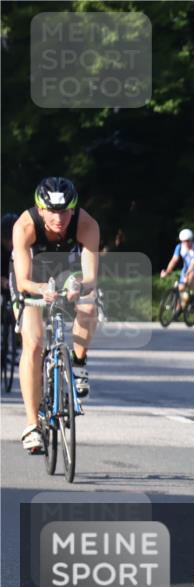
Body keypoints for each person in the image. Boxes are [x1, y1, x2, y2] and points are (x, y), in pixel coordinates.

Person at [11, 177, 100, 453]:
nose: (59, 218)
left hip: (67, 271)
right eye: (52, 211)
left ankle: (78, 362)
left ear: (73, 209)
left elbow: (91, 277)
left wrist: (78, 287)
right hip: (33, 278)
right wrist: (40, 290)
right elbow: (23, 281)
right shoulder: (24, 226)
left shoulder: (87, 224)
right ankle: (31, 426)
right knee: (34, 343)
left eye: (64, 211)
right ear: (40, 210)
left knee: (89, 305)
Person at [160, 229, 194, 306]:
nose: (186, 243)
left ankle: (192, 300)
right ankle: (178, 311)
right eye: (184, 241)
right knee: (180, 289)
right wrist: (167, 271)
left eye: (188, 241)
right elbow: (174, 260)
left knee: (190, 276)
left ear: (191, 240)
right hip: (187, 268)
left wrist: (188, 272)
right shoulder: (179, 247)